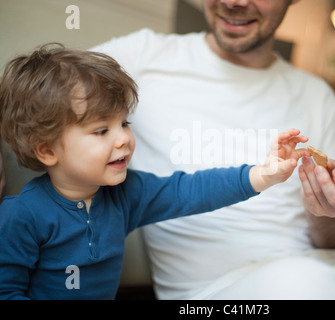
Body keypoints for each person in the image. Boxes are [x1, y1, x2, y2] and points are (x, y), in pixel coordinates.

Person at [91, 0, 335, 300]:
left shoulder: (314, 93)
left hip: (328, 269)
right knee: (308, 283)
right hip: (210, 293)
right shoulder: (143, 57)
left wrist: (330, 211)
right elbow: (46, 96)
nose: (234, 2)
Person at [0, 43, 312, 300]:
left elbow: (190, 191)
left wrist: (264, 173)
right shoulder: (21, 215)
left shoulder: (126, 194)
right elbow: (6, 290)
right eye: (100, 131)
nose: (123, 138)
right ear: (47, 150)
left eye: (124, 123)